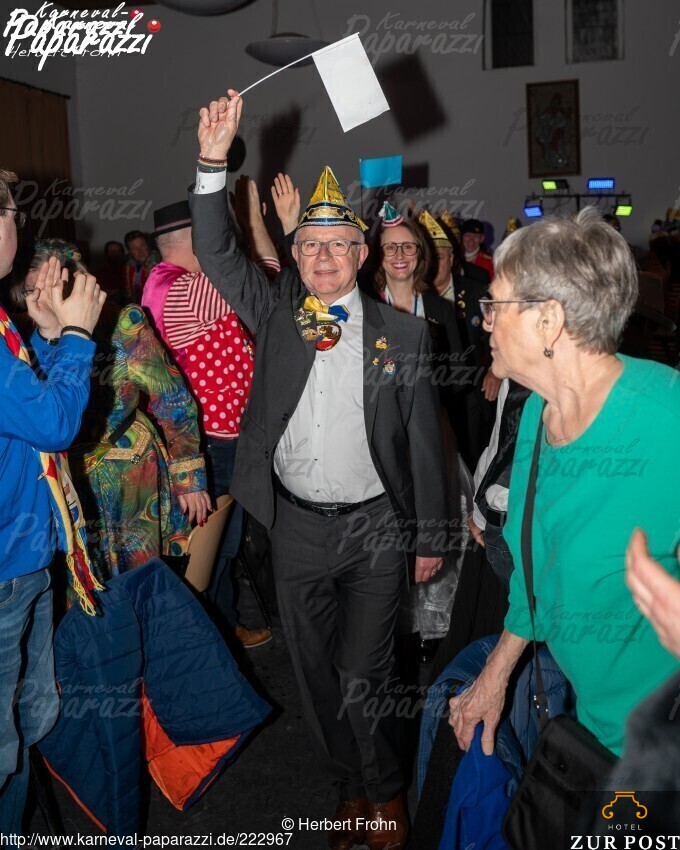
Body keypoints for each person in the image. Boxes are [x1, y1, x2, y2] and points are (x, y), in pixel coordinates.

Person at [189, 91, 449, 850]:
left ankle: (385, 790)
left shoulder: (403, 335)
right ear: (295, 254)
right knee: (314, 673)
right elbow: (216, 252)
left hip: (376, 529)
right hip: (296, 527)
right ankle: (347, 785)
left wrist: (429, 533)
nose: (325, 256)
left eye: (339, 244)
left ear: (362, 256)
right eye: (311, 244)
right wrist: (211, 162)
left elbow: (425, 443)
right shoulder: (276, 315)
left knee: (368, 670)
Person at [449, 206, 680, 761]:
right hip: (591, 723)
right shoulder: (540, 411)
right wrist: (495, 676)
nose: (484, 322)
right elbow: (538, 571)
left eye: (495, 305)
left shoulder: (666, 416)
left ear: (548, 321)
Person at [0, 168, 106, 832]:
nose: (20, 226)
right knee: (3, 748)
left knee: (31, 717)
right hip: (5, 572)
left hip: (25, 560)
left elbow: (22, 410)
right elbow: (54, 423)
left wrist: (43, 336)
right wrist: (77, 339)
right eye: (13, 214)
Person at [19, 238, 210, 587]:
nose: (43, 300)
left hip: (128, 472)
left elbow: (173, 399)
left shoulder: (122, 322)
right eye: (33, 290)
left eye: (53, 288)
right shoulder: (27, 336)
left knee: (138, 584)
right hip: (68, 479)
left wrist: (188, 479)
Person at [142, 193, 274, 649]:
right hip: (209, 445)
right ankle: (203, 642)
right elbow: (264, 282)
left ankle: (220, 628)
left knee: (220, 547)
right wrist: (252, 223)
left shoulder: (172, 283)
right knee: (207, 552)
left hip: (215, 441)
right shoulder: (183, 291)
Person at [123, 229, 160, 303]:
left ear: (147, 246)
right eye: (135, 249)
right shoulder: (128, 267)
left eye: (142, 246)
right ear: (129, 251)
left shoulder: (158, 264)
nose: (140, 251)